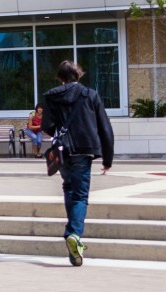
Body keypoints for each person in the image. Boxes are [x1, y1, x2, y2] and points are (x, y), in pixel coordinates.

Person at [41, 60, 115, 267]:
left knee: (69, 188)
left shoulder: (51, 96)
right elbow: (105, 128)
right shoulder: (90, 94)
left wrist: (60, 130)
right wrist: (108, 158)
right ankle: (74, 234)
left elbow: (46, 125)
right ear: (79, 74)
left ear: (60, 77)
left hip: (63, 150)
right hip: (84, 149)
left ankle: (73, 235)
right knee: (81, 195)